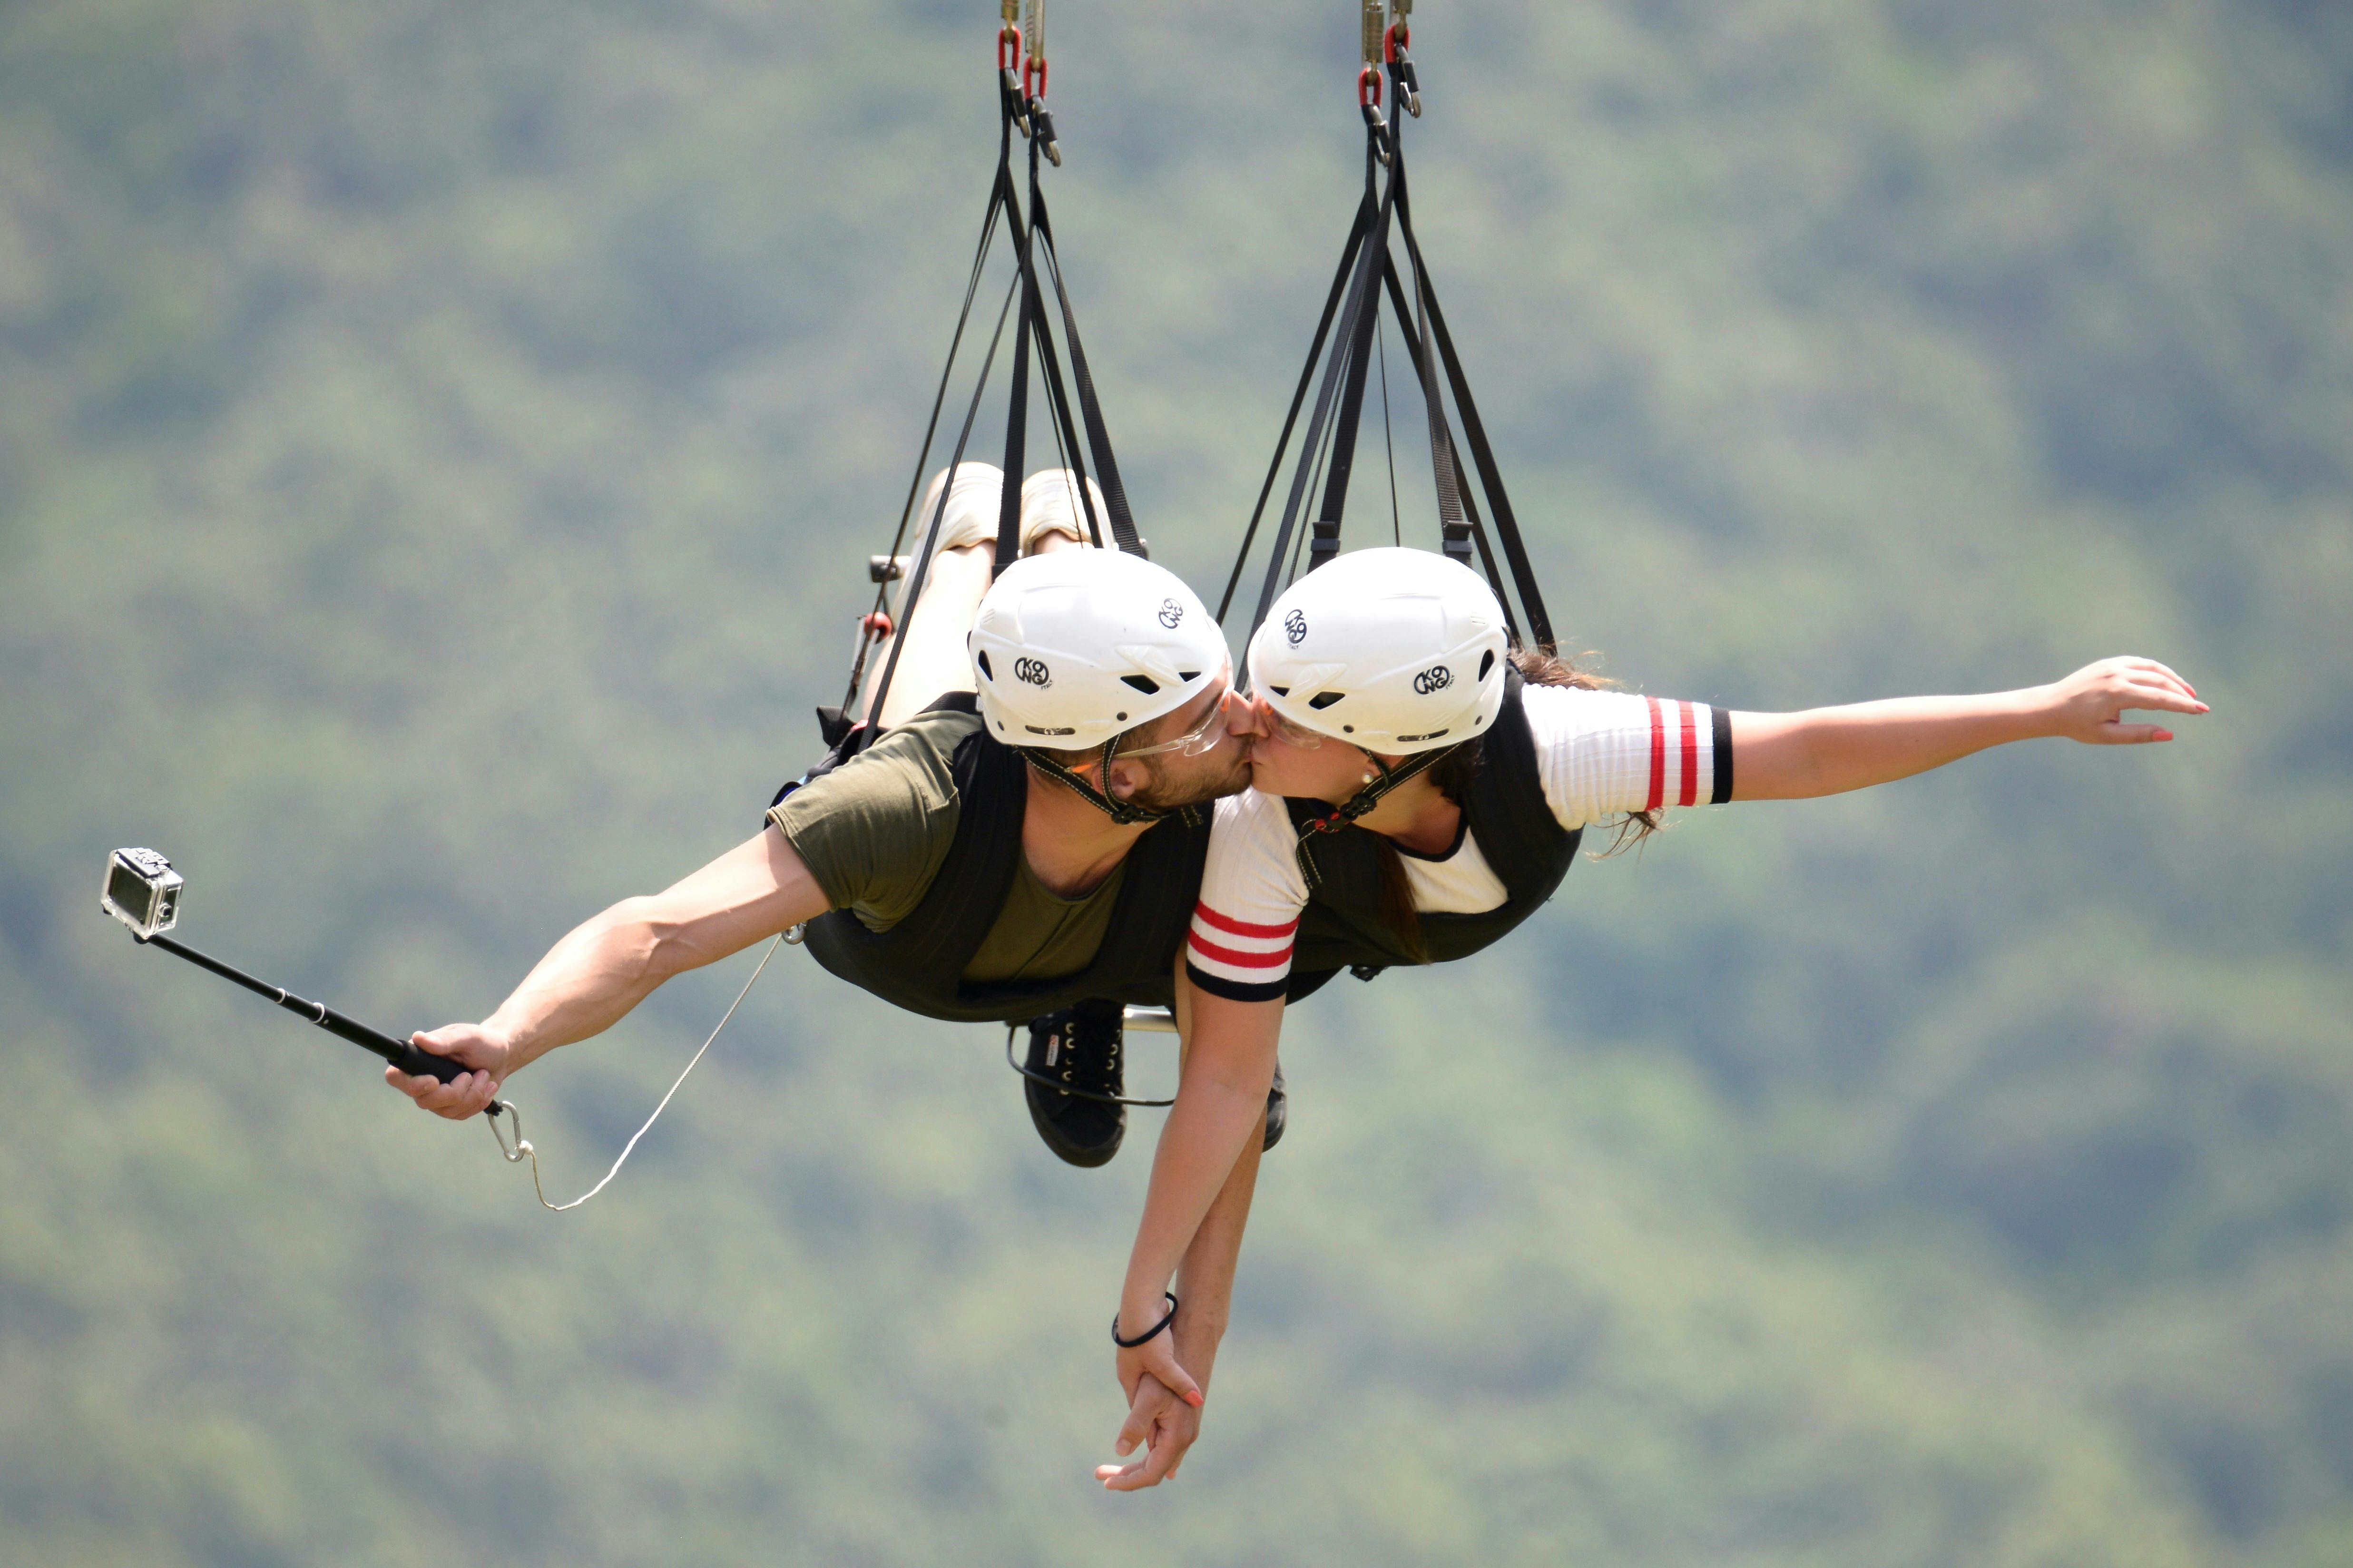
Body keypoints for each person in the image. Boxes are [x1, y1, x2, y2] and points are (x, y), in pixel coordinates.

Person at [1093, 545, 2207, 1490]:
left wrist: (2043, 710)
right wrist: (1157, 1318)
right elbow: (1227, 1081)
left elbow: (1805, 750)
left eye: (1281, 716)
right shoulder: (1256, 822)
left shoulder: (1558, 748)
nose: (1243, 719)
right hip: (1264, 930)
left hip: (1365, 915)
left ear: (1386, 755)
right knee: (1210, 1017)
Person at [382, 464, 1269, 1181]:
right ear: (1110, 769)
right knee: (910, 733)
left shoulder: (1231, 798)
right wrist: (508, 1036)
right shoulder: (906, 808)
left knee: (1200, 854)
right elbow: (655, 935)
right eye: (1203, 717)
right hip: (922, 926)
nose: (1244, 719)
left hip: (1095, 902)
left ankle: (1061, 537)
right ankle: (970, 545)